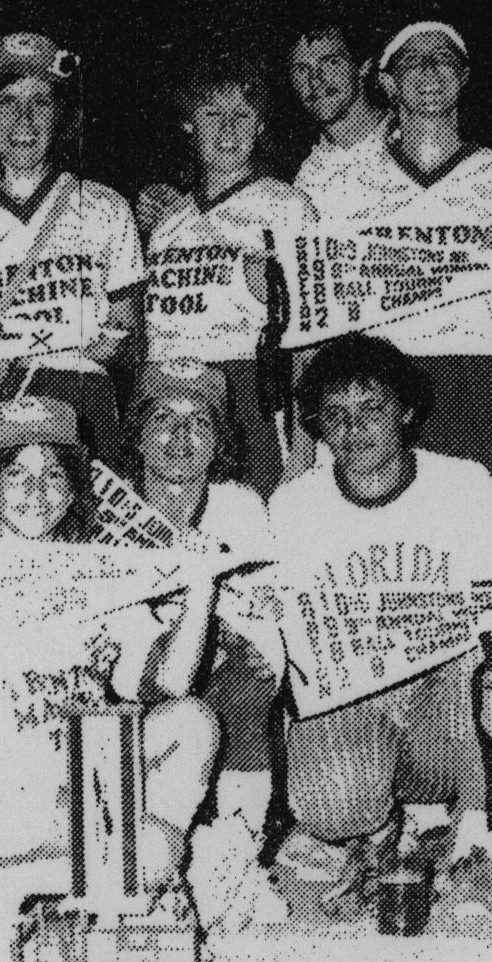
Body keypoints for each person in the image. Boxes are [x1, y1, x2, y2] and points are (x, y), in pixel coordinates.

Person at [0, 396, 225, 946]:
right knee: (143, 853)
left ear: (75, 491)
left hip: (84, 792)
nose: (36, 490)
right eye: (16, 473)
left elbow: (168, 683)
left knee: (193, 722)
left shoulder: (95, 577)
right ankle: (73, 884)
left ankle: (108, 882)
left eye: (54, 474)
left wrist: (201, 589)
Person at [268, 333, 492, 919]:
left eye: (372, 409)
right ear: (318, 427)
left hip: (448, 706)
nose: (354, 428)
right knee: (332, 806)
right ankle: (382, 830)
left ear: (406, 410)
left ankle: (474, 835)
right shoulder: (293, 506)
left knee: (473, 653)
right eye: (336, 415)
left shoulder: (465, 485)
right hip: (354, 701)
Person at [292, 22, 492, 535]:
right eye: (413, 61)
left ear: (465, 76)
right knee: (377, 544)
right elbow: (315, 319)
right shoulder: (338, 184)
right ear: (387, 83)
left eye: (445, 60)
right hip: (373, 384)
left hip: (475, 377)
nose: (430, 71)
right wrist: (303, 444)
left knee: (482, 543)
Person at [0, 32, 144, 461]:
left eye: (40, 101)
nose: (24, 120)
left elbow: (127, 328)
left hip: (81, 401)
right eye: (7, 102)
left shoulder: (104, 206)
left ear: (60, 113)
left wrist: (94, 348)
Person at [127, 360, 289, 932]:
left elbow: (265, 631)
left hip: (212, 666)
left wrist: (217, 639)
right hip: (129, 676)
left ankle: (237, 852)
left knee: (249, 683)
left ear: (219, 441)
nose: (179, 436)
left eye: (200, 421)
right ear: (138, 433)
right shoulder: (105, 506)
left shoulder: (240, 506)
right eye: (163, 419)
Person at [131, 55, 320, 498]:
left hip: (246, 392)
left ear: (259, 126)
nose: (228, 129)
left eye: (242, 116)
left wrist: (304, 443)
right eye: (213, 115)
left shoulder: (287, 206)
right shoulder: (166, 220)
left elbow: (310, 339)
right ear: (188, 124)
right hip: (165, 391)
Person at [285, 19, 389, 205]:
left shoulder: (407, 141)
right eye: (301, 69)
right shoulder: (304, 173)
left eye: (331, 62)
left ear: (363, 66)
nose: (315, 80)